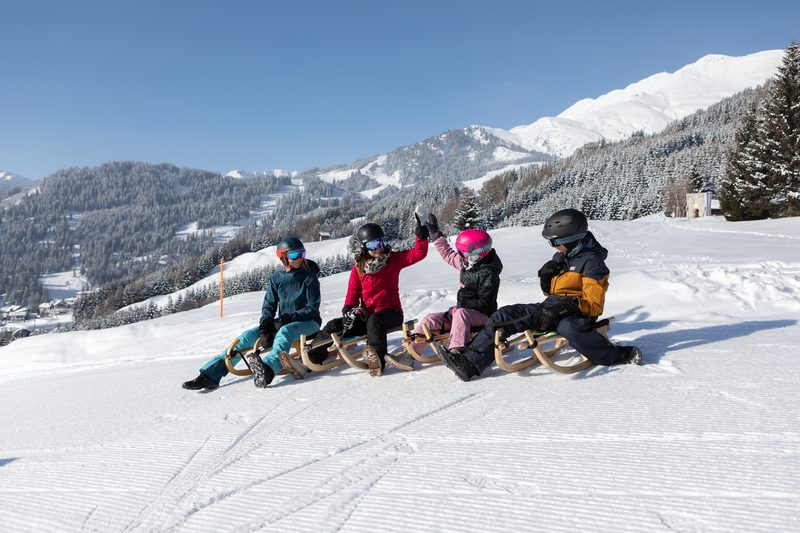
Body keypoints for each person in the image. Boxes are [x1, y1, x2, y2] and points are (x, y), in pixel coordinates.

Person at [438, 208, 642, 382]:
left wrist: (560, 309)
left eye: (554, 242)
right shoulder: (562, 256)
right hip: (552, 306)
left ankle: (613, 355)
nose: (551, 247)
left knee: (568, 327)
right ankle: (470, 362)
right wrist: (547, 281)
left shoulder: (593, 263)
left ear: (570, 241)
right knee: (504, 314)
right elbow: (553, 294)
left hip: (576, 313)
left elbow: (594, 305)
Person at [182, 237, 321, 390]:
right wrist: (266, 324)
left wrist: (289, 318)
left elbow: (312, 308)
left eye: (302, 253)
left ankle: (268, 369)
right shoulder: (277, 278)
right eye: (294, 254)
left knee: (284, 332)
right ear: (283, 256)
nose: (299, 258)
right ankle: (210, 375)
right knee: (246, 337)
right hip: (284, 321)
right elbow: (269, 304)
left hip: (309, 322)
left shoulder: (309, 277)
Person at [306, 219, 429, 377]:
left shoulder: (393, 260)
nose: (379, 248)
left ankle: (377, 360)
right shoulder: (359, 267)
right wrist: (348, 310)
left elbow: (418, 254)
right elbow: (352, 293)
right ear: (364, 247)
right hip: (366, 316)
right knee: (334, 325)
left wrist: (422, 237)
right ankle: (311, 359)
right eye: (373, 245)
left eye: (381, 243)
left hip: (391, 313)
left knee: (375, 320)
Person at [385, 215, 502, 371]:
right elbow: (447, 254)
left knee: (461, 315)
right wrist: (435, 234)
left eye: (463, 254)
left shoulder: (489, 274)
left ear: (477, 254)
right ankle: (408, 354)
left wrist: (460, 309)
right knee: (430, 319)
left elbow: (485, 304)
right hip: (463, 313)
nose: (460, 257)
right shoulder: (466, 264)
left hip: (483, 316)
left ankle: (457, 354)